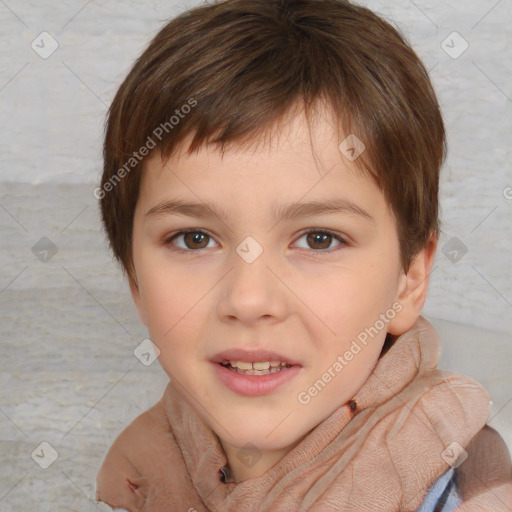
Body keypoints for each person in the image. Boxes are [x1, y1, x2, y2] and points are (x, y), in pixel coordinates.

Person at [94, 0, 512, 510]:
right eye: (194, 239)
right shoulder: (136, 479)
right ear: (135, 278)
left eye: (319, 239)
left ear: (411, 277)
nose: (249, 300)